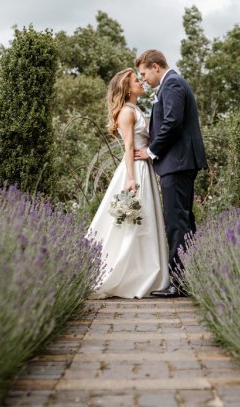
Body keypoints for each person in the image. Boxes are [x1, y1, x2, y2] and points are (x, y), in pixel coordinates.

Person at [87, 68, 169, 299]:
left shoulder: (136, 109)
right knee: (131, 223)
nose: (141, 81)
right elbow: (128, 148)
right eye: (136, 80)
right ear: (126, 88)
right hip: (136, 171)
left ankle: (143, 273)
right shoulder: (126, 112)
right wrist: (131, 179)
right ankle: (124, 274)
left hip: (145, 168)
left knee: (145, 222)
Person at [134, 50, 207, 298]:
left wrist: (151, 151)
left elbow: (172, 122)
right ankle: (190, 276)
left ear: (155, 67)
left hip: (178, 163)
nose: (143, 78)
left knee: (176, 221)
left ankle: (180, 282)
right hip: (180, 162)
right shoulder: (172, 84)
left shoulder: (173, 83)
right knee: (184, 220)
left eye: (144, 73)